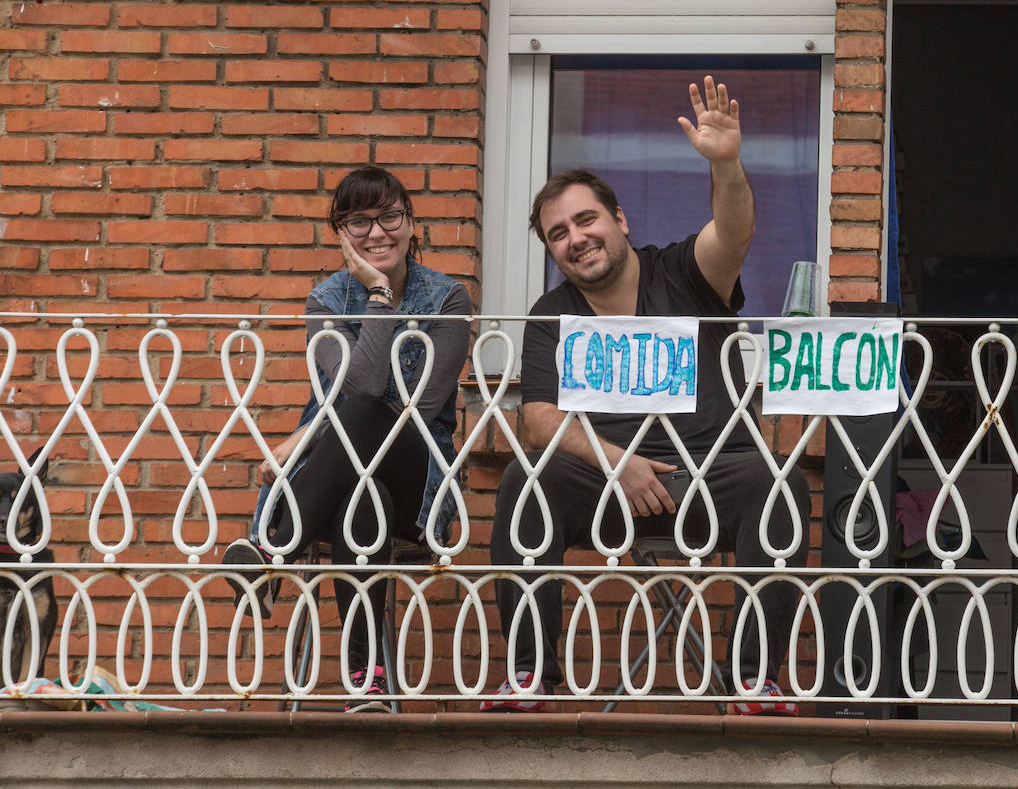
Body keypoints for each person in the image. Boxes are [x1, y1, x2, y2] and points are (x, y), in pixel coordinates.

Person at [484, 76, 811, 715]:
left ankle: (751, 676)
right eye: (558, 233)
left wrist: (727, 165)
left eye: (586, 219)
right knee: (523, 488)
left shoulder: (685, 273)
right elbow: (538, 419)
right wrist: (618, 463)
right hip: (609, 490)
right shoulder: (553, 313)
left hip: (707, 481)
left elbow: (734, 231)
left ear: (620, 220)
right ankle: (530, 673)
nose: (576, 238)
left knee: (780, 486)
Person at [223, 166, 471, 713]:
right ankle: (368, 675)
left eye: (389, 217)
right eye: (358, 221)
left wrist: (305, 435)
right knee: (364, 498)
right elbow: (352, 387)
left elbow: (416, 410)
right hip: (343, 485)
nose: (376, 232)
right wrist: (377, 295)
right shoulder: (327, 300)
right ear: (340, 233)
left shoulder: (449, 300)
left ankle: (272, 552)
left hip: (418, 471)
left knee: (368, 427)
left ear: (411, 224)